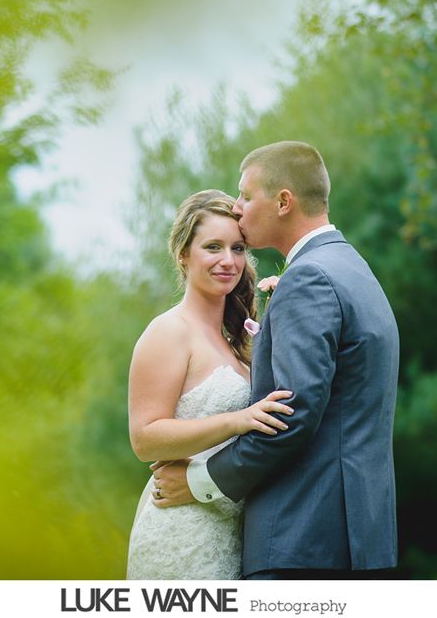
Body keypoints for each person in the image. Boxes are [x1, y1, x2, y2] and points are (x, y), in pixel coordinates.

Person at [152, 141, 400, 579]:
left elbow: (290, 414)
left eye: (246, 196)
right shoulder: (352, 268)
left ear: (283, 201)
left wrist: (198, 482)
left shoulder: (309, 278)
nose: (238, 207)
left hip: (302, 537)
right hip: (357, 533)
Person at [125, 189, 294, 580]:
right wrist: (238, 420)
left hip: (232, 533)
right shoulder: (168, 332)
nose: (228, 261)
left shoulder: (237, 339)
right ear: (184, 254)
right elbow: (144, 439)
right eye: (213, 247)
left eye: (237, 248)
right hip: (181, 536)